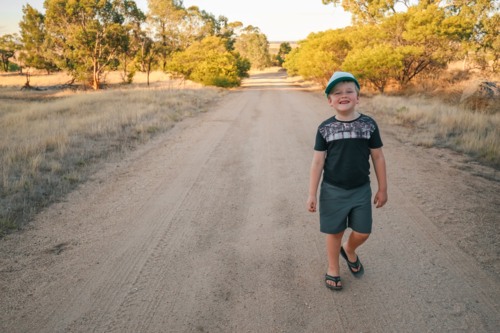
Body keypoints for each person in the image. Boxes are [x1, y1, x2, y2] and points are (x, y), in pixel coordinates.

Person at [306, 72, 388, 290]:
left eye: (349, 91)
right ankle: (333, 268)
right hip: (333, 190)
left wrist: (382, 189)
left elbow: (378, 157)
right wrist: (312, 194)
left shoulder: (368, 125)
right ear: (330, 101)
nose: (343, 96)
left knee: (363, 232)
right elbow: (317, 163)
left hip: (361, 189)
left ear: (358, 97)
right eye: (337, 93)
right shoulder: (325, 128)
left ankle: (349, 249)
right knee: (334, 232)